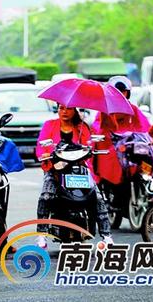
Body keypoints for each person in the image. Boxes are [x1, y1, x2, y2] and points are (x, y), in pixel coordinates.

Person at [35, 103, 113, 250]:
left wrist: (90, 147)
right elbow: (41, 145)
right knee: (46, 196)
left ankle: (106, 236)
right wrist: (45, 153)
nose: (64, 112)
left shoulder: (82, 127)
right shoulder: (49, 125)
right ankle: (41, 235)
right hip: (56, 169)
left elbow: (89, 145)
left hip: (79, 169)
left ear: (74, 110)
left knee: (97, 197)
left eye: (68, 109)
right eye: (61, 108)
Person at [91, 76, 151, 185]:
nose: (120, 95)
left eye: (123, 91)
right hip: (109, 148)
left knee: (149, 159)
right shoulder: (104, 111)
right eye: (117, 92)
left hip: (130, 147)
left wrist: (149, 137)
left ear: (127, 93)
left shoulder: (133, 108)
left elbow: (144, 127)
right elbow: (97, 128)